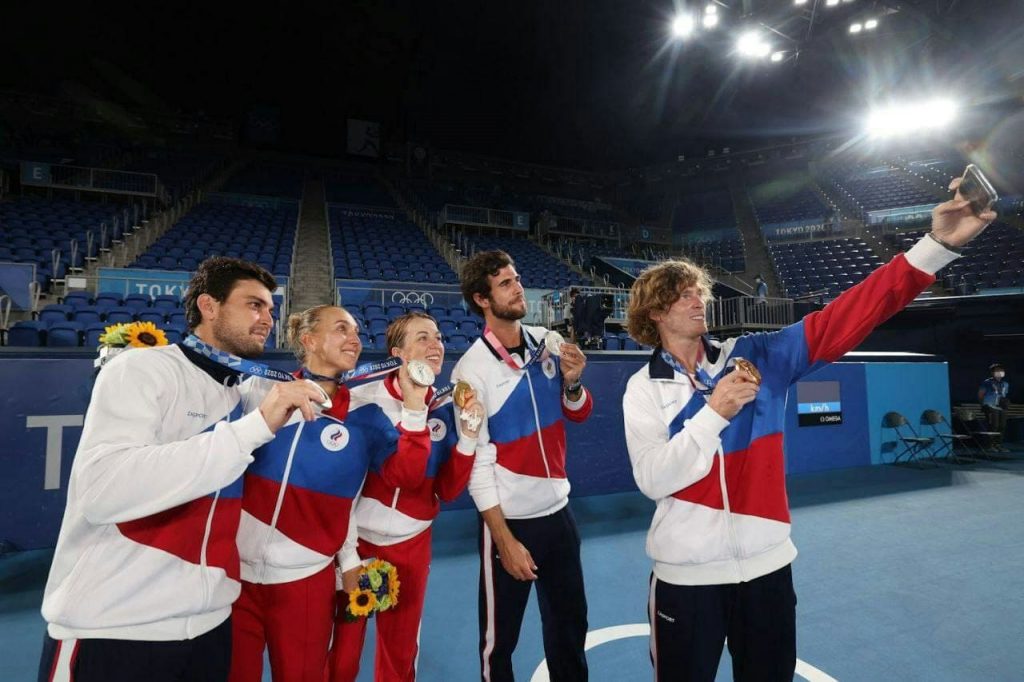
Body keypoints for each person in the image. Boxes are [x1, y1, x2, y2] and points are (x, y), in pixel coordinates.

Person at [622, 177, 995, 681]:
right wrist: (714, 413)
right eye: (682, 296)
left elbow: (848, 314)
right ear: (654, 312)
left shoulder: (757, 355)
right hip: (685, 580)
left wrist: (936, 246)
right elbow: (653, 479)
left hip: (768, 571)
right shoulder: (641, 388)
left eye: (698, 292)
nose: (698, 301)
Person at [38, 257, 325, 682]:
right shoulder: (142, 369)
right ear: (209, 306)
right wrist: (253, 428)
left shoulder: (241, 391)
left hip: (211, 626)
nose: (268, 319)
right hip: (114, 629)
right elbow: (102, 490)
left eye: (270, 308)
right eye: (254, 305)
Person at [229, 305, 432, 682]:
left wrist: (415, 408)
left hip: (306, 578)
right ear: (309, 340)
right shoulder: (261, 390)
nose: (355, 339)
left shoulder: (366, 416)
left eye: (356, 331)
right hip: (235, 574)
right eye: (341, 329)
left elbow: (406, 475)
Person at [452, 250, 593, 682]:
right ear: (482, 299)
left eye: (516, 279)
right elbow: (477, 464)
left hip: (559, 514)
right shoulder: (470, 371)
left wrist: (574, 383)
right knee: (500, 644)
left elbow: (578, 412)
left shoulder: (546, 342)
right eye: (505, 284)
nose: (518, 289)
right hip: (511, 522)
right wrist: (504, 539)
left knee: (571, 629)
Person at [328, 312, 483, 681]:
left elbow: (447, 490)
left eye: (438, 337)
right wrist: (347, 555)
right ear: (398, 353)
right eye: (422, 338)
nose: (436, 345)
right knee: (342, 654)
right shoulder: (362, 400)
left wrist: (468, 437)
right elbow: (344, 486)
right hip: (356, 544)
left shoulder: (448, 407)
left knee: (400, 654)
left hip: (412, 545)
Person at [979, 363, 1010, 444]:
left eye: (1001, 370)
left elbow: (1003, 395)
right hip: (990, 406)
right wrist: (983, 405)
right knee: (994, 425)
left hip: (1001, 407)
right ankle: (990, 445)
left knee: (1002, 426)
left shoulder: (1005, 384)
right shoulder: (987, 382)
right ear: (992, 372)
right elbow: (981, 394)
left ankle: (998, 444)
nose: (1000, 372)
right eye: (997, 370)